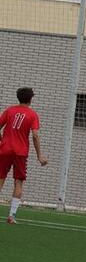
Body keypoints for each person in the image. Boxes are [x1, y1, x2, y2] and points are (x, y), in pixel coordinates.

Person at [0, 87, 47, 224]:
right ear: (31, 98)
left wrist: (2, 140)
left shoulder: (10, 110)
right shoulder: (32, 115)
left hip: (4, 150)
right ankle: (11, 216)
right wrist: (40, 156)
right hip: (20, 152)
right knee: (18, 181)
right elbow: (35, 135)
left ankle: (12, 216)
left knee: (1, 179)